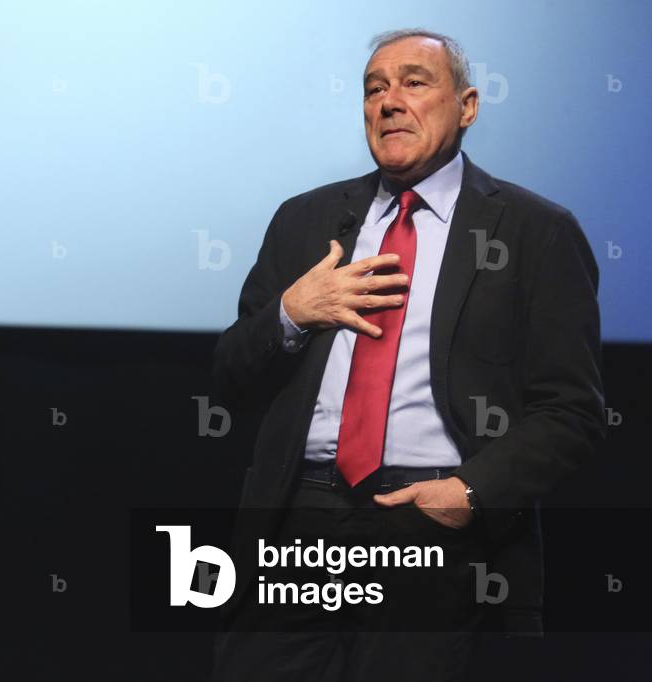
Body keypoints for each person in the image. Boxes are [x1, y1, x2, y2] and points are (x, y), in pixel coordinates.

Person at [209, 28, 605, 681]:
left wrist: (469, 492)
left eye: (414, 82)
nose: (388, 101)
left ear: (468, 104)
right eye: (373, 88)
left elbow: (570, 411)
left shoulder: (535, 232)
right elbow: (228, 378)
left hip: (433, 523)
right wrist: (289, 313)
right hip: (297, 521)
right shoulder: (303, 221)